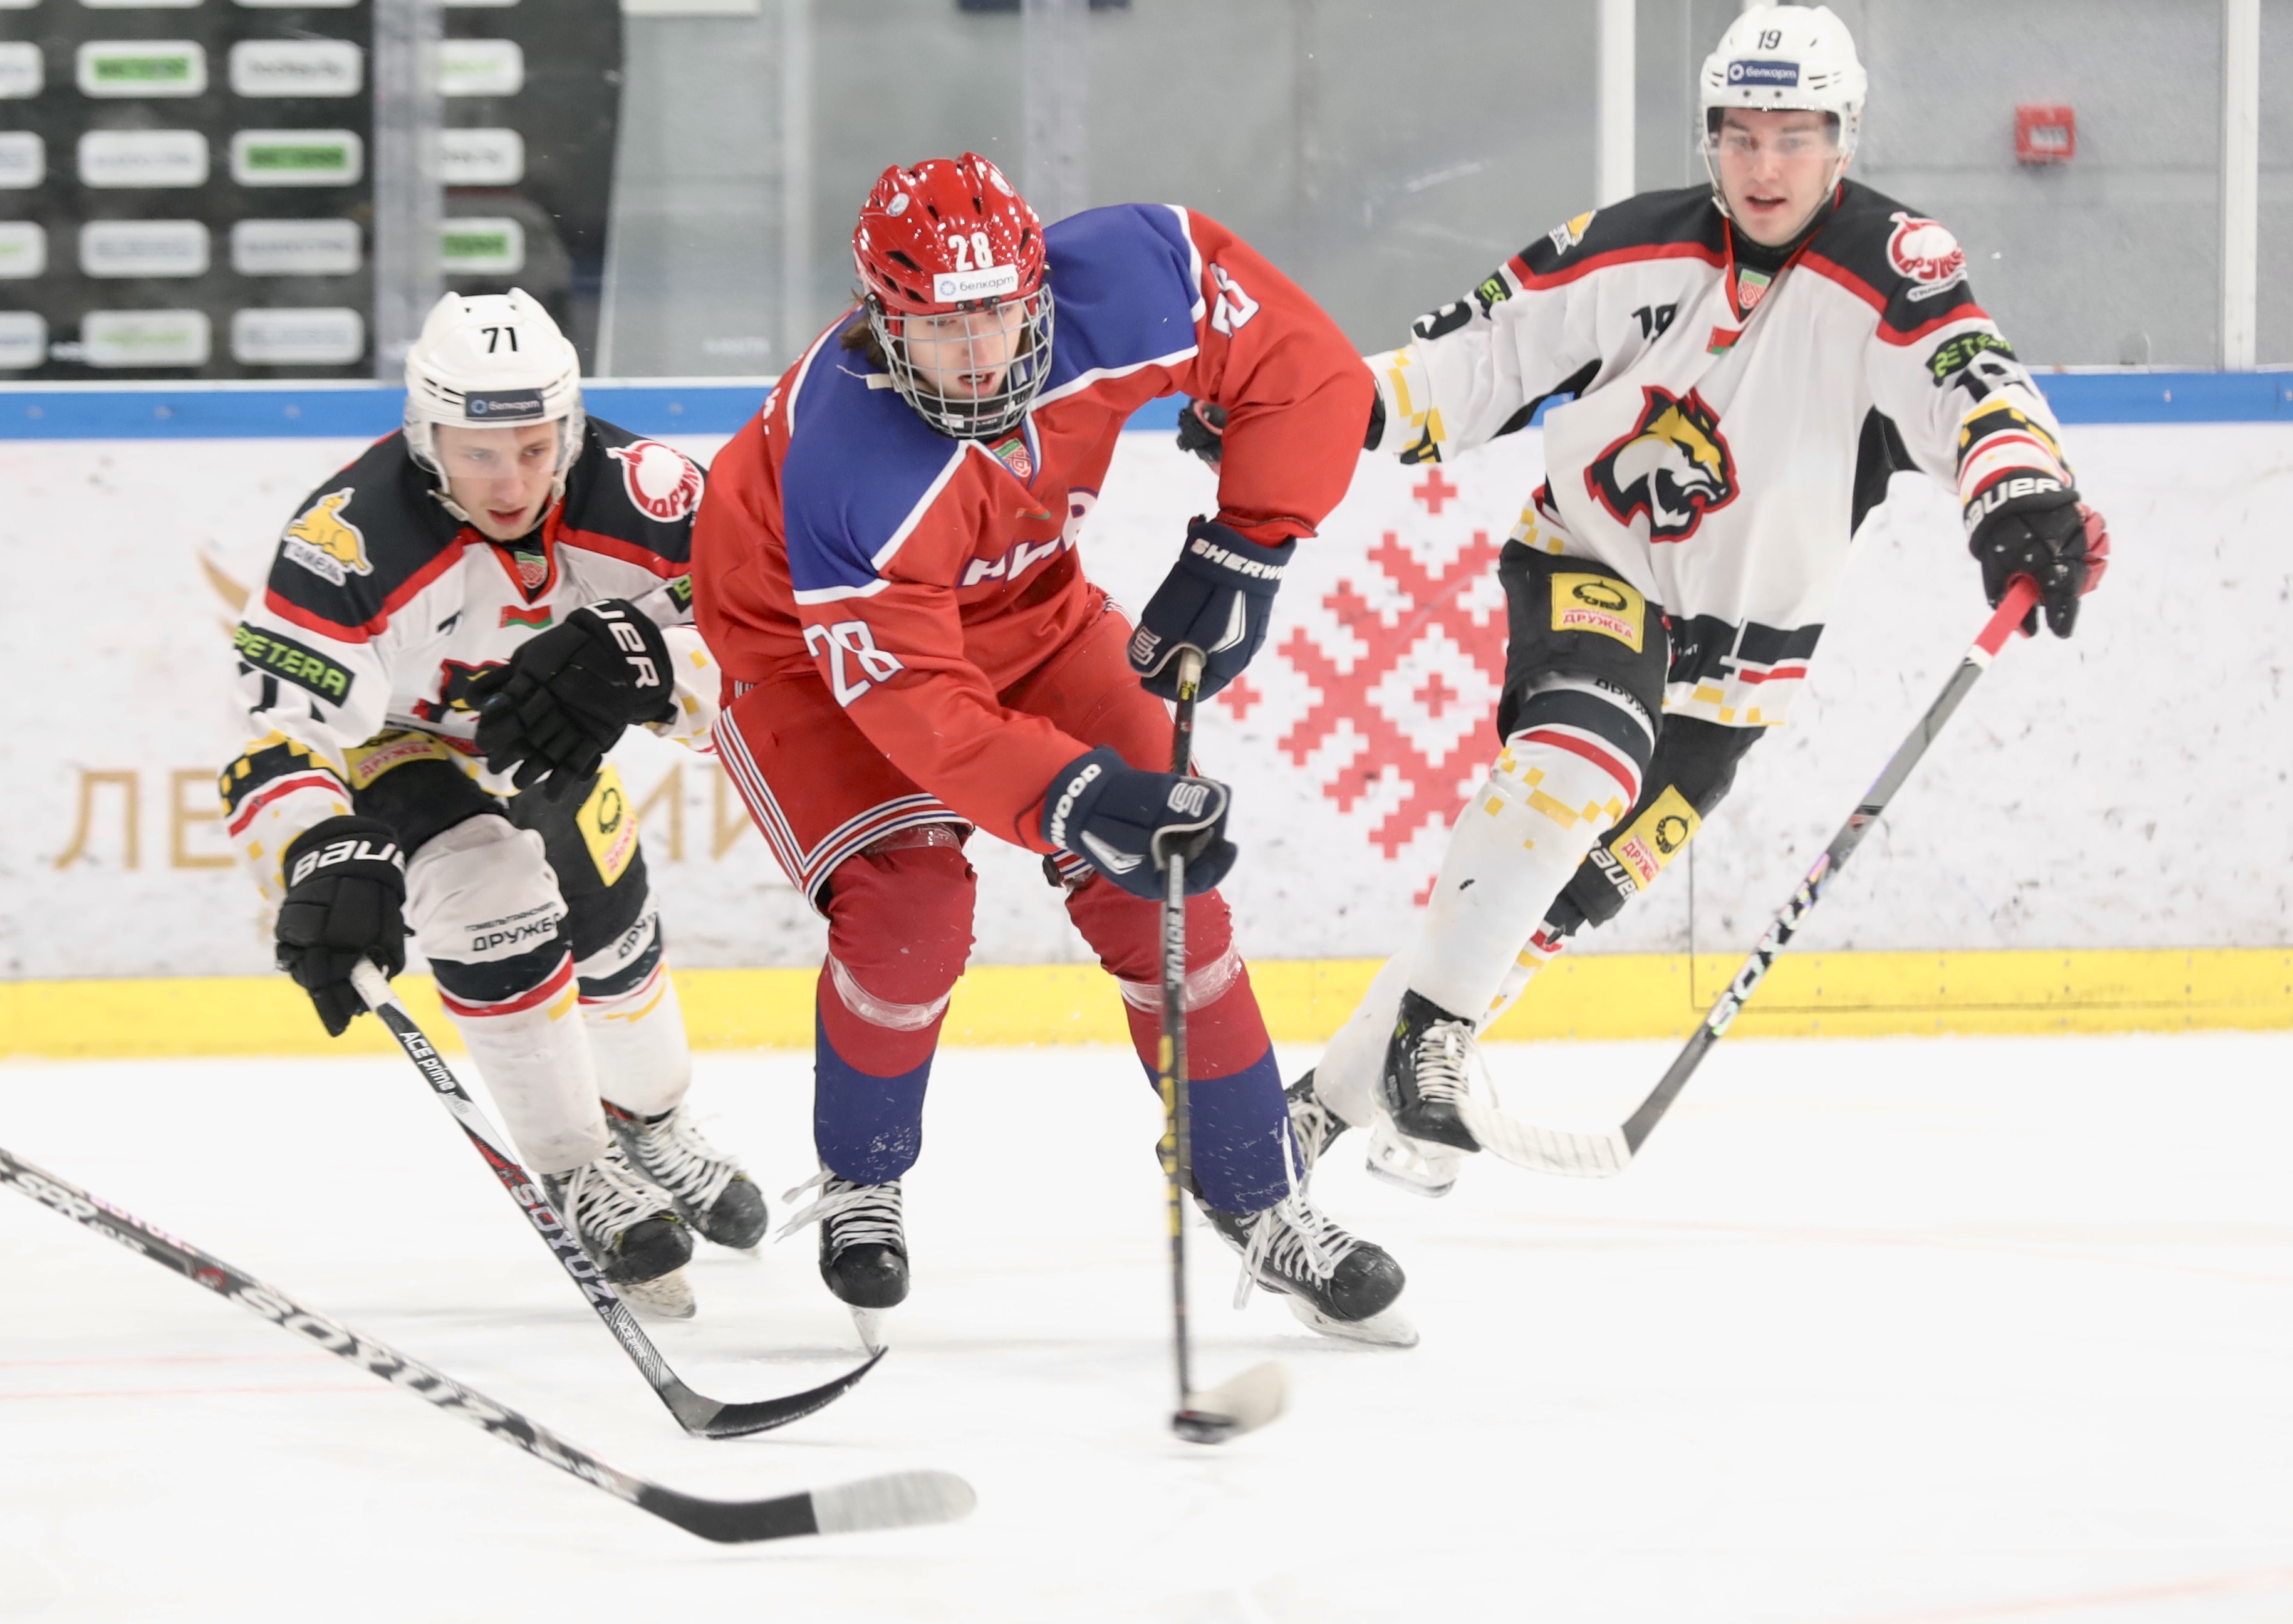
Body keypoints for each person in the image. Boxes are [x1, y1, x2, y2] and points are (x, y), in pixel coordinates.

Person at [1282, 4, 2110, 1195]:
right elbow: (1476, 359)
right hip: (1594, 567)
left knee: (1535, 907)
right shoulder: (1634, 245)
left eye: (1795, 137)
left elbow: (1967, 380)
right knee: (1579, 762)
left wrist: (2022, 492)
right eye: (1741, 135)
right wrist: (1305, 412)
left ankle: (1308, 1122)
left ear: (1844, 138)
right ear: (1710, 135)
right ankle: (1434, 1046)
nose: (1765, 165)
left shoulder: (1891, 266)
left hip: (1742, 675)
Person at [691, 152, 1412, 1350]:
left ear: (1043, 291)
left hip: (1034, 615)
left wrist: (1252, 541)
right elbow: (918, 704)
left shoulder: (1132, 270)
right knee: (911, 912)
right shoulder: (852, 465)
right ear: (882, 322)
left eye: (999, 317)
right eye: (940, 329)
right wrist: (1070, 795)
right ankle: (865, 1176)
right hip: (812, 658)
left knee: (1168, 892)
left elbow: (1309, 368)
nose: (978, 355)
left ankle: (1256, 1194)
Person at [220, 288, 766, 1315]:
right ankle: (577, 1169)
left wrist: (657, 668)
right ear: (425, 435)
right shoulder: (349, 538)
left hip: (542, 740)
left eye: (533, 447)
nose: (510, 482)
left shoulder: (654, 498)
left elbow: (770, 660)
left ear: (572, 425)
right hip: (398, 743)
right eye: (476, 453)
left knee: (614, 937)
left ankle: (651, 1123)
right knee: (489, 888)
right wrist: (318, 850)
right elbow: (277, 732)